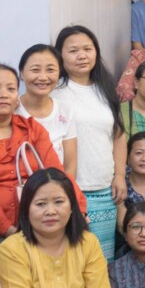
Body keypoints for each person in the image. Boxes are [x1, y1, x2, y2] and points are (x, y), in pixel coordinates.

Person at [0, 63, 76, 246]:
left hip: (39, 226)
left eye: (11, 89)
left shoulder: (32, 129)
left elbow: (56, 175)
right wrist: (7, 228)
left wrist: (78, 211)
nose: (4, 94)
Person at [51, 26, 125, 258]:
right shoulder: (54, 92)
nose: (82, 55)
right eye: (73, 51)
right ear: (60, 55)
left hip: (105, 190)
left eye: (87, 49)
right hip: (69, 190)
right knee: (70, 259)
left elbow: (119, 135)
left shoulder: (106, 88)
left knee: (101, 261)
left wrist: (120, 175)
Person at [17, 44, 79, 178]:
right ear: (21, 73)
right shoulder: (11, 109)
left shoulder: (65, 111)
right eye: (35, 70)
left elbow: (70, 165)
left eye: (50, 70)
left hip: (57, 187)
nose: (43, 77)